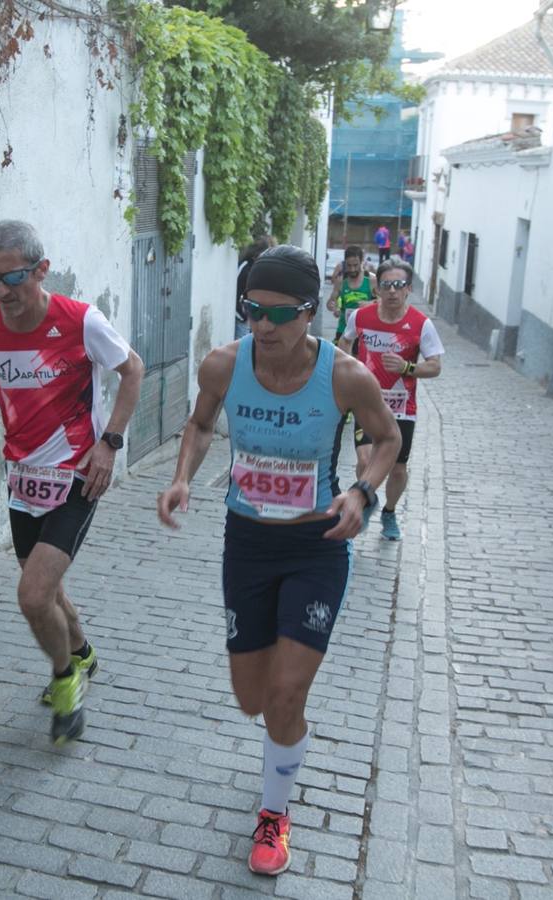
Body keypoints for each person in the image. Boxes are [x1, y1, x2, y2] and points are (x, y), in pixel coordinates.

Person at [156, 245, 400, 876]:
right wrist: (184, 475)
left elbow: (387, 436)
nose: (261, 325)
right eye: (251, 310)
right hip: (248, 542)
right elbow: (201, 424)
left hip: (317, 545)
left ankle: (273, 814)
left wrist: (363, 490)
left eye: (276, 314)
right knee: (251, 698)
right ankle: (279, 748)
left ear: (310, 314)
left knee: (286, 695)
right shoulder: (223, 364)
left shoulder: (346, 376)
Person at [0, 220, 144, 744]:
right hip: (24, 480)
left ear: (41, 270)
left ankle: (65, 684)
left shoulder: (81, 322)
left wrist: (109, 443)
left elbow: (131, 370)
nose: (1, 291)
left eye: (13, 277)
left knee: (32, 594)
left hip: (77, 477)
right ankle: (83, 653)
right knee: (48, 591)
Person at [341, 257, 443, 541]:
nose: (393, 292)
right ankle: (361, 507)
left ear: (409, 288)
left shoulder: (421, 324)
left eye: (399, 285)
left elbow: (435, 366)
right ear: (378, 288)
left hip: (402, 407)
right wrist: (350, 367)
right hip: (367, 402)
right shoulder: (361, 317)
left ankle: (389, 510)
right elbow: (345, 342)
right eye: (387, 285)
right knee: (365, 458)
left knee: (397, 468)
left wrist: (407, 368)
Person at [326, 245, 374, 344]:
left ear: (362, 262)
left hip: (364, 331)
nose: (352, 269)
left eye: (356, 265)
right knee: (341, 358)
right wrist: (333, 307)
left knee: (358, 359)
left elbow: (385, 304)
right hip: (344, 329)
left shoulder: (371, 281)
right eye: (349, 265)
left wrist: (371, 304)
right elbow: (331, 302)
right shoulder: (341, 281)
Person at [235, 236, 276, 339]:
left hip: (250, 318)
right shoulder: (246, 268)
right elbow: (238, 292)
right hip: (241, 318)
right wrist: (243, 316)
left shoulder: (257, 268)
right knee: (242, 348)